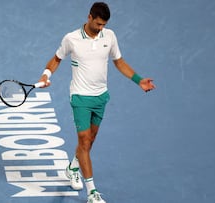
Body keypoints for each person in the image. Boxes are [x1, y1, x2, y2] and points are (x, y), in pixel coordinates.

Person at [38, 2, 155, 203]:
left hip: (101, 97)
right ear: (89, 17)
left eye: (104, 25)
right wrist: (46, 74)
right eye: (98, 24)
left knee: (89, 141)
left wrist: (138, 80)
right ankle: (92, 193)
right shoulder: (71, 39)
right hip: (80, 97)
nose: (101, 28)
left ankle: (72, 168)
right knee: (84, 140)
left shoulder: (109, 36)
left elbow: (119, 61)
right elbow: (56, 59)